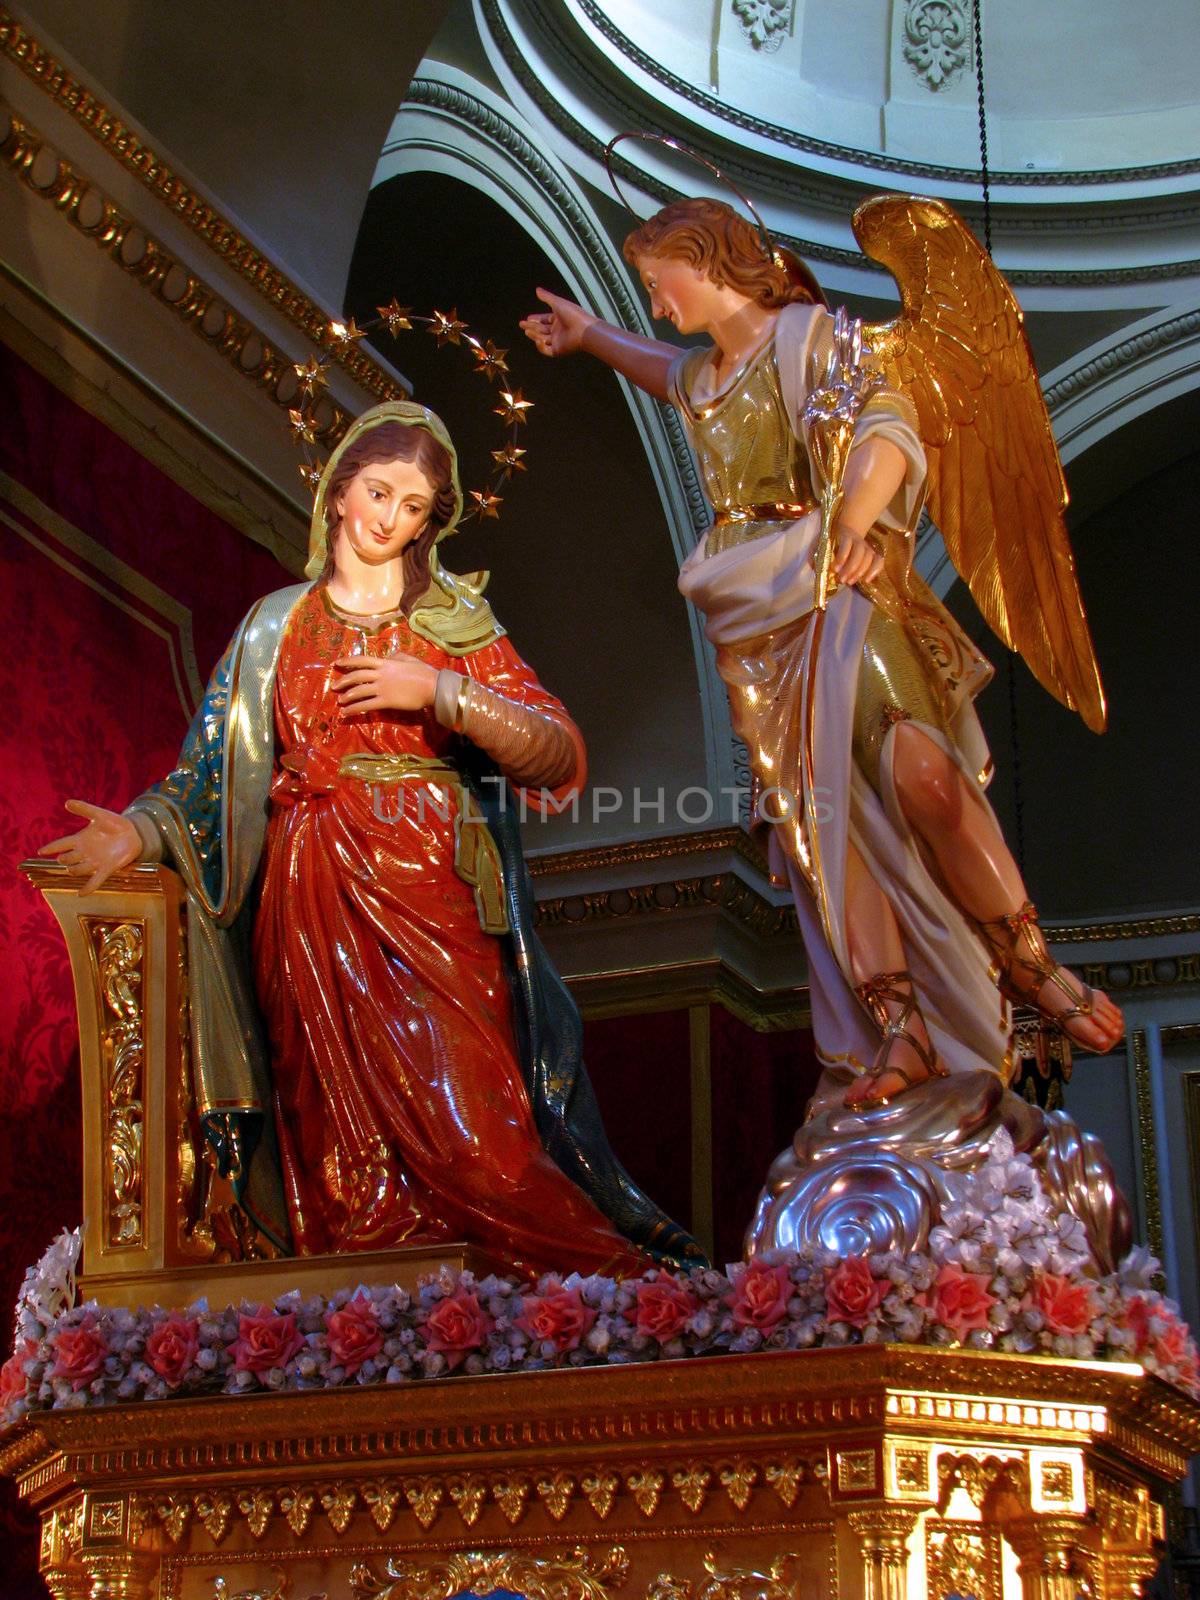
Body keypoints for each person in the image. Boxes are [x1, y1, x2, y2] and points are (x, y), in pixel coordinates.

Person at [40, 400, 699, 1278]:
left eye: (415, 505)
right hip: (309, 894)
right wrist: (141, 832)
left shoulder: (456, 623)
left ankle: (597, 1296)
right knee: (333, 1145)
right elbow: (209, 776)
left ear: (433, 521)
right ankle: (370, 1303)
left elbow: (556, 753)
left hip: (430, 892)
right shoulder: (275, 628)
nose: (390, 518)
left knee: (481, 1142)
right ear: (340, 491)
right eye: (379, 491)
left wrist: (436, 690)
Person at [521, 198, 1123, 1115]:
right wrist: (591, 333)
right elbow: (669, 375)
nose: (656, 300)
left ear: (706, 257)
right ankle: (900, 1027)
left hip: (833, 582)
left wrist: (851, 518)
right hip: (753, 626)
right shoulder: (707, 378)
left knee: (922, 777)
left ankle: (1033, 967)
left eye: (658, 279)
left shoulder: (813, 340)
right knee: (823, 836)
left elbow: (887, 425)